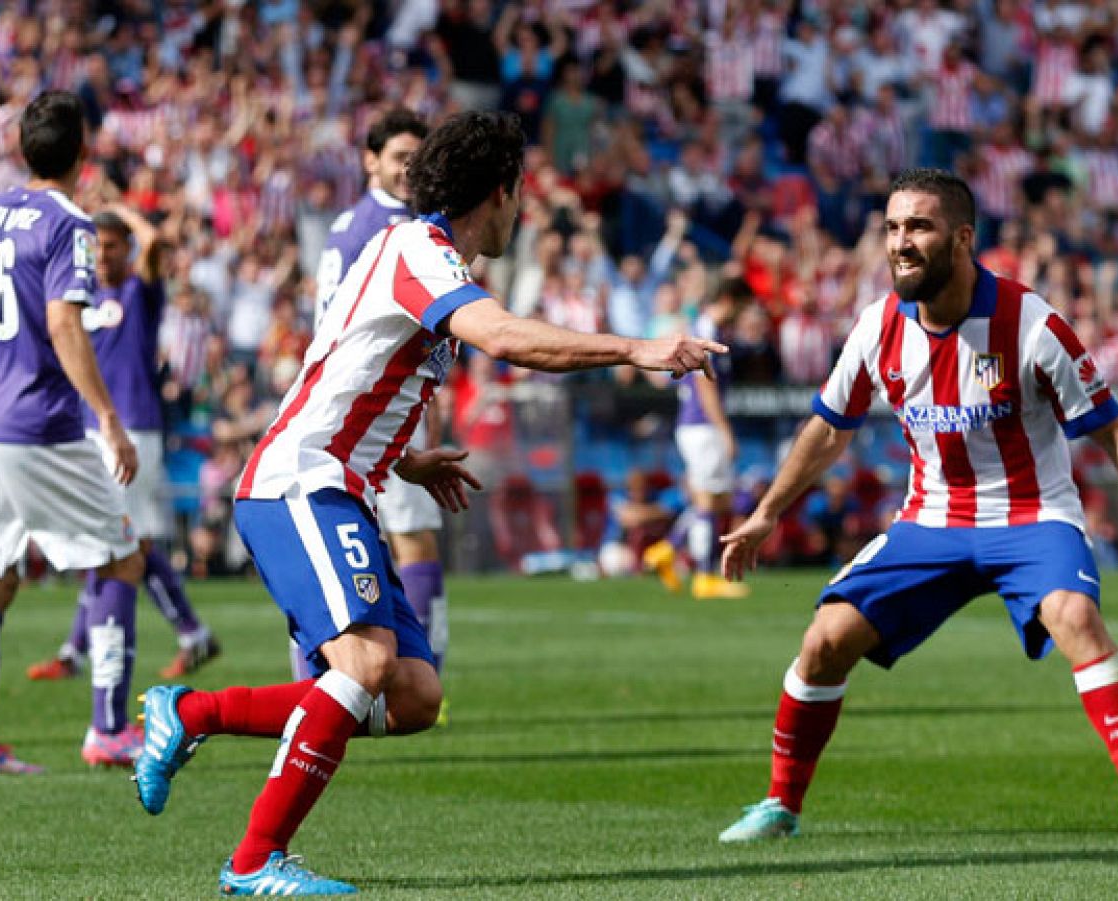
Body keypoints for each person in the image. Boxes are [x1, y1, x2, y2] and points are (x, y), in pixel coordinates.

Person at [131, 110, 726, 895]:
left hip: (339, 480)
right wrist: (637, 348)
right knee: (367, 661)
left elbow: (348, 366)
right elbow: (506, 338)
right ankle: (253, 860)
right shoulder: (421, 249)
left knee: (412, 694)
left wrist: (405, 461)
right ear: (501, 192)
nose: (521, 212)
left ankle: (193, 712)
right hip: (301, 481)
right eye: (520, 197)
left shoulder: (419, 255)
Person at [716, 169, 1118, 847]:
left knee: (1075, 615)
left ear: (962, 237)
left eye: (918, 226)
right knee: (823, 641)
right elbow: (831, 428)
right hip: (931, 520)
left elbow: (1113, 431)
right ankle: (779, 805)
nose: (900, 242)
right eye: (892, 227)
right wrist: (768, 511)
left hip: (1032, 515)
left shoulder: (1031, 322)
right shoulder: (878, 326)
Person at [0, 91, 147, 776]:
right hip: (37, 423)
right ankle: (110, 729)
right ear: (83, 151)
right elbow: (63, 323)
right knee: (121, 557)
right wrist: (110, 420)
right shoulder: (71, 222)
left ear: (21, 148)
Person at [25, 203, 220, 683]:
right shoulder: (82, 299)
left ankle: (184, 634)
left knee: (118, 538)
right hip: (94, 428)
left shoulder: (140, 290)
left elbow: (154, 244)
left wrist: (121, 214)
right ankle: (87, 649)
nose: (103, 254)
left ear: (127, 249)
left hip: (133, 429)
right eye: (97, 246)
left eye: (113, 246)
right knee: (109, 538)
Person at [295, 109, 450, 698]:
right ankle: (423, 677)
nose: (410, 170)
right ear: (370, 161)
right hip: (375, 403)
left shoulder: (346, 224)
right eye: (399, 158)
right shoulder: (395, 230)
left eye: (418, 159)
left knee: (332, 560)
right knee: (415, 539)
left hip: (341, 403)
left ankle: (330, 683)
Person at [643, 277, 751, 600]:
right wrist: (724, 429)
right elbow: (706, 384)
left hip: (695, 426)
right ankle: (704, 576)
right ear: (731, 300)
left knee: (717, 499)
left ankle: (667, 550)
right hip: (702, 425)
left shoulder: (705, 327)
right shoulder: (708, 330)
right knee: (708, 500)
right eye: (743, 307)